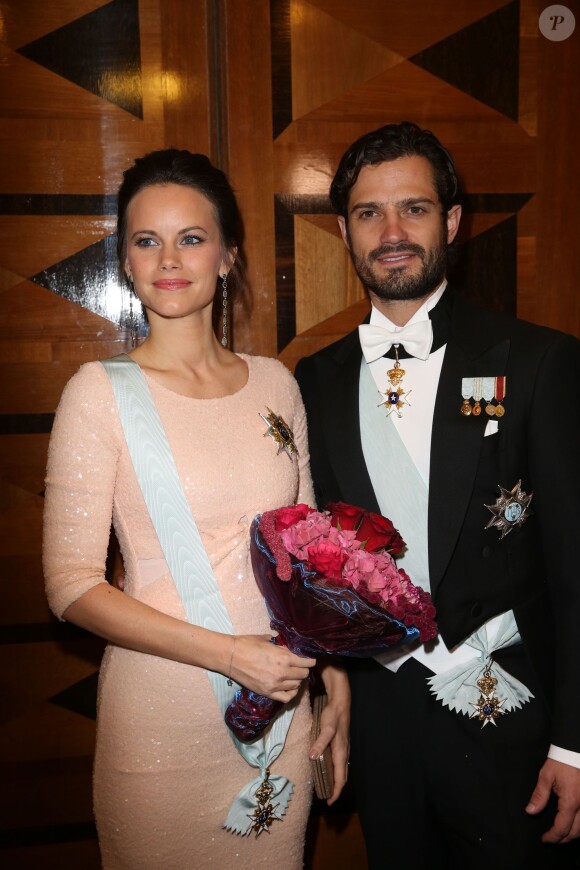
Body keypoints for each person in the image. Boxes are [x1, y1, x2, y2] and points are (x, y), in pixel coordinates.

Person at [43, 149, 349, 869]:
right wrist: (231, 656)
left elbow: (312, 557)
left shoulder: (276, 385)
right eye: (147, 240)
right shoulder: (97, 392)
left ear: (228, 256)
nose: (169, 259)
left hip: (284, 712)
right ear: (126, 260)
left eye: (191, 237)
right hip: (162, 726)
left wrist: (337, 692)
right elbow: (70, 586)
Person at [294, 122, 580, 868]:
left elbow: (577, 571)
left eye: (414, 209)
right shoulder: (310, 383)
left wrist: (577, 743)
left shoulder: (541, 362)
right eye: (368, 214)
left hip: (510, 725)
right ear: (344, 232)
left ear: (451, 222)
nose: (392, 233)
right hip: (379, 729)